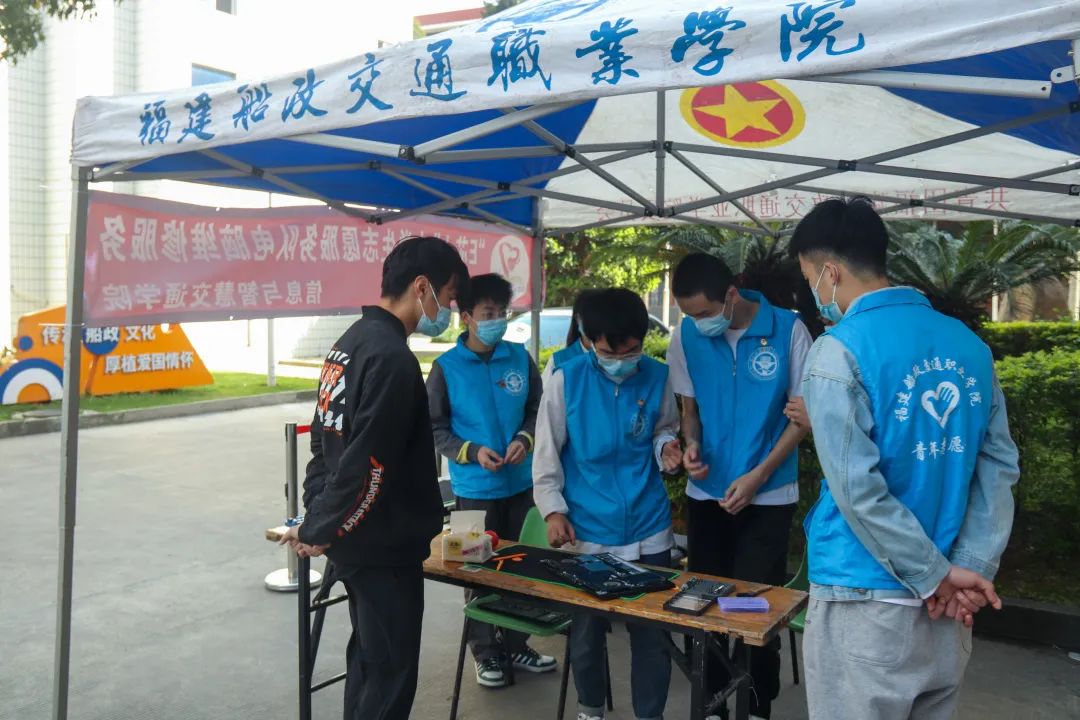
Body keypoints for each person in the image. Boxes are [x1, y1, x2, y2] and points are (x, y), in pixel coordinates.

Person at [791, 198, 1020, 720]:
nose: (814, 294)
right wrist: (968, 567)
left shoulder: (838, 351)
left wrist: (936, 576)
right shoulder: (969, 346)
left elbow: (858, 489)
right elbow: (998, 467)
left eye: (809, 279)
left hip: (864, 598)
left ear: (830, 272)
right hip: (948, 609)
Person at [280, 236, 469, 720]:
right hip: (383, 544)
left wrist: (319, 520)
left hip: (357, 539)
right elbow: (368, 463)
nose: (447, 311)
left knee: (369, 662)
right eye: (448, 298)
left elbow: (323, 444)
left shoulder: (348, 343)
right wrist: (321, 526)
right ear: (421, 287)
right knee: (389, 676)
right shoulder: (392, 358)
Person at [666, 252, 811, 720]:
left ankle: (756, 704)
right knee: (703, 603)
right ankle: (711, 702)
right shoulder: (685, 336)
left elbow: (802, 419)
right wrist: (691, 445)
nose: (698, 323)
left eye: (705, 313)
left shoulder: (788, 330)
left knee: (754, 609)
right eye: (689, 315)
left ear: (731, 295)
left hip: (768, 496)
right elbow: (689, 411)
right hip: (707, 496)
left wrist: (759, 475)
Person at [533, 287, 684, 720]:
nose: (621, 361)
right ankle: (590, 708)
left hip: (648, 524)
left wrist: (667, 448)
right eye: (608, 353)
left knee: (651, 634)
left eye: (631, 351)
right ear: (588, 340)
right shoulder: (566, 378)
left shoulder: (656, 376)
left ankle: (650, 714)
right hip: (588, 526)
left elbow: (663, 428)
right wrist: (553, 510)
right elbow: (547, 451)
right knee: (586, 633)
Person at [426, 272, 555, 688]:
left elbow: (538, 409)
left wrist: (525, 438)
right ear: (466, 316)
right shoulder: (446, 369)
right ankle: (485, 652)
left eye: (502, 312)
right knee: (475, 569)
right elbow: (434, 427)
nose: (497, 320)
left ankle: (517, 644)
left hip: (520, 485)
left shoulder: (519, 357)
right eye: (487, 313)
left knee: (522, 568)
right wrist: (471, 451)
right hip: (472, 491)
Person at [541, 288, 600, 385]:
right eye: (590, 318)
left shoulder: (617, 361)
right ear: (578, 319)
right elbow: (546, 393)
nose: (595, 324)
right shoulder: (559, 360)